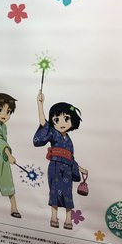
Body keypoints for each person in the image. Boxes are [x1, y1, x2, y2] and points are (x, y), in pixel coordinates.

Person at [34, 92, 88, 229]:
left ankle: (68, 219)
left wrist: (80, 169)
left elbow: (71, 158)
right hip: (55, 166)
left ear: (72, 120)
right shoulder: (53, 133)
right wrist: (40, 104)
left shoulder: (69, 140)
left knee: (68, 194)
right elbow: (43, 123)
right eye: (56, 120)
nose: (61, 123)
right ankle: (54, 217)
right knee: (54, 192)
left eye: (66, 119)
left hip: (67, 169)